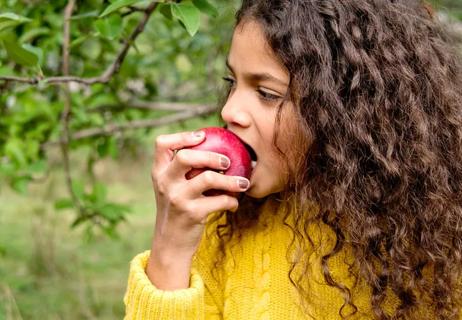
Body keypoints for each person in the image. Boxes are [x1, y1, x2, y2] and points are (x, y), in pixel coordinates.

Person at [124, 0, 462, 319]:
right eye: (232, 82)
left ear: (346, 110)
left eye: (267, 94)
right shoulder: (224, 226)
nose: (228, 110)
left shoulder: (438, 236)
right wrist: (170, 246)